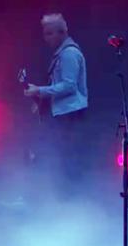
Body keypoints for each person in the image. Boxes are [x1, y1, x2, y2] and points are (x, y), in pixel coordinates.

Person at [23, 13, 89, 190]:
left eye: (49, 33)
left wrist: (40, 91)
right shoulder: (62, 54)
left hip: (70, 113)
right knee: (62, 156)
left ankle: (69, 194)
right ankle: (63, 192)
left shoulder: (69, 54)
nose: (46, 38)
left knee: (67, 157)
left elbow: (69, 86)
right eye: (45, 33)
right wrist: (41, 100)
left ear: (61, 32)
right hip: (64, 112)